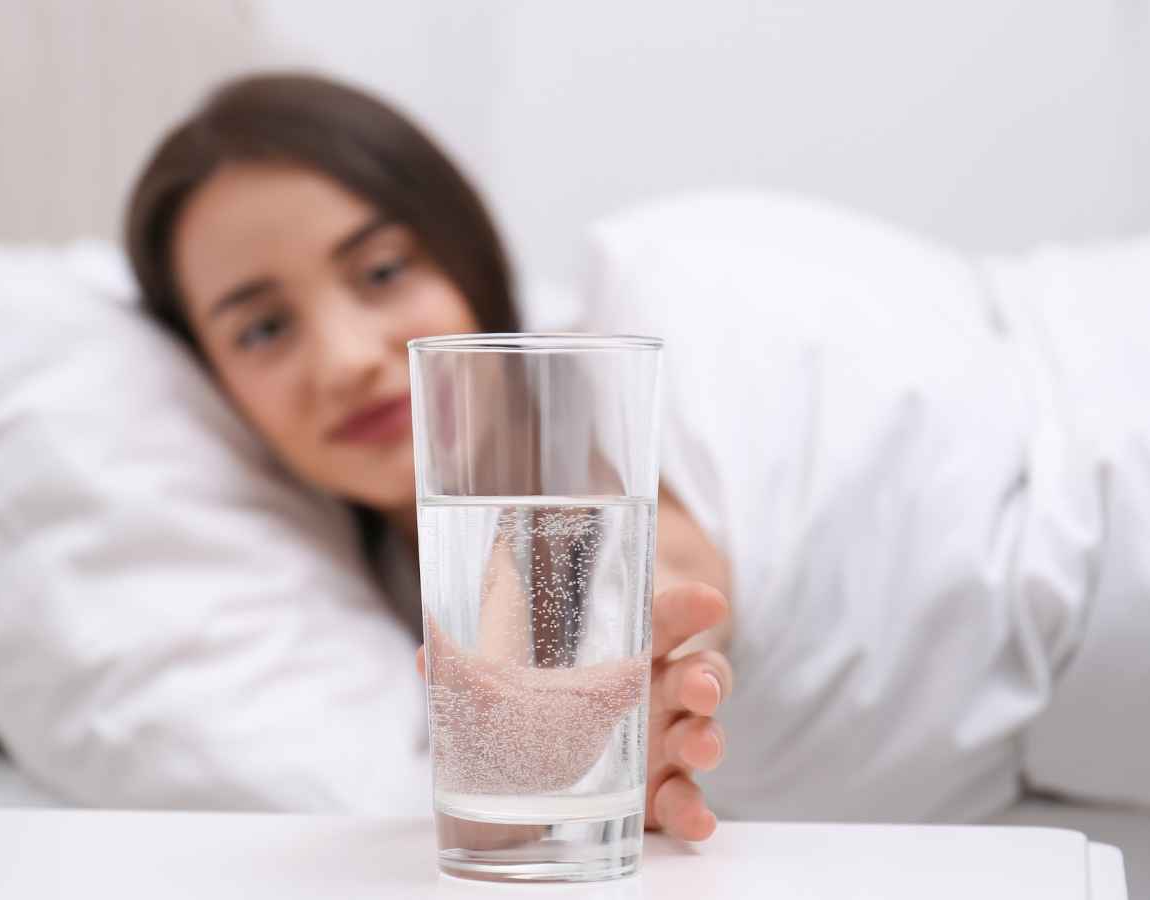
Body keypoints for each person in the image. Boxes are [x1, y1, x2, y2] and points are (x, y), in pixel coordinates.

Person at [124, 73, 734, 842]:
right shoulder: (353, 570)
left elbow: (670, 565)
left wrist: (647, 665)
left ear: (462, 250)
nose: (346, 359)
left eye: (381, 272)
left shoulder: (594, 402)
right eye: (263, 330)